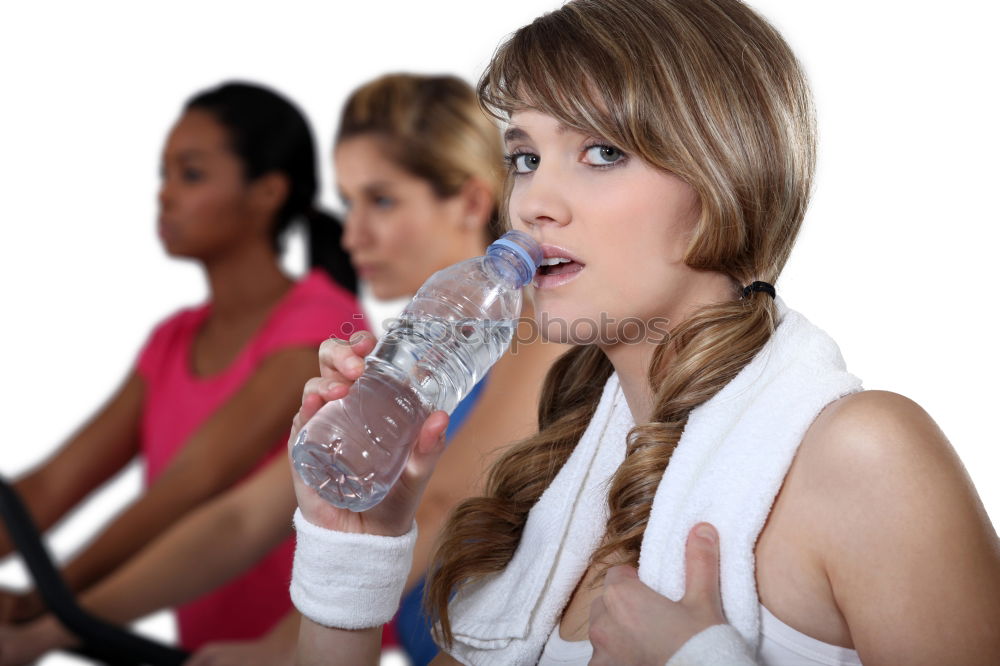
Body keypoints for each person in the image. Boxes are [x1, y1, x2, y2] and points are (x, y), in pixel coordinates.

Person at [285, 1, 1000, 665]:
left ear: (726, 176)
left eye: (602, 153)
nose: (533, 201)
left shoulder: (866, 457)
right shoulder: (554, 478)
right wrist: (357, 552)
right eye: (525, 157)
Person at [0, 74, 566, 666]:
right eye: (348, 203)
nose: (351, 235)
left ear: (473, 202)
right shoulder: (398, 353)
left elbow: (440, 503)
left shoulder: (537, 334)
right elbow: (244, 518)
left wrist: (280, 651)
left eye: (381, 200)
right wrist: (50, 629)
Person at [0, 82, 364, 654]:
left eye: (191, 175)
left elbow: (194, 484)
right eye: (164, 174)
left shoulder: (321, 325)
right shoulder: (172, 342)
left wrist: (46, 599)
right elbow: (48, 487)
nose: (165, 195)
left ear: (267, 192)